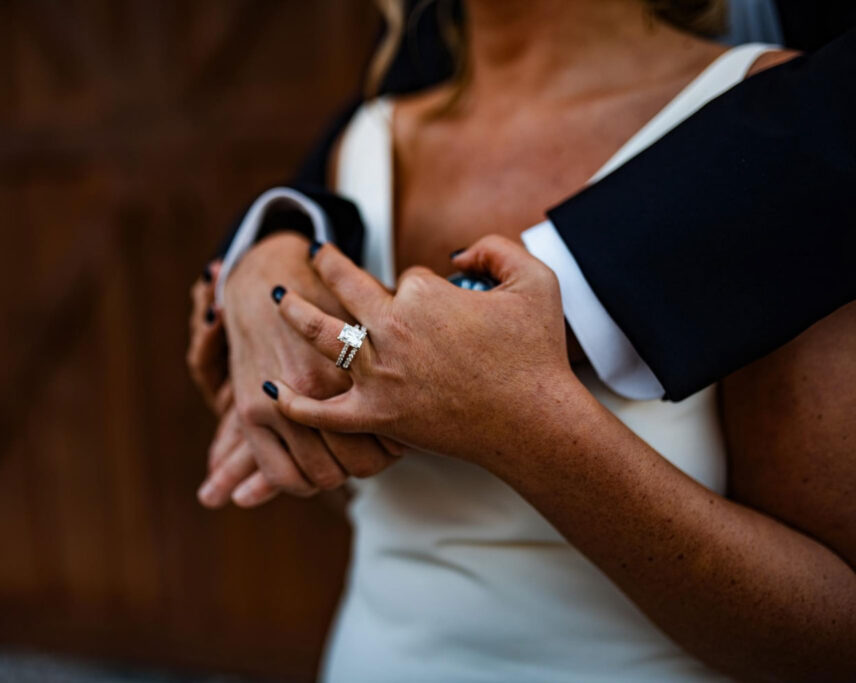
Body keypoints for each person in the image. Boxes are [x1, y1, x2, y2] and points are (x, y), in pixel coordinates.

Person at [191, 0, 856, 680]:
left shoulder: (782, 133)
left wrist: (531, 429)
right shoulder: (366, 141)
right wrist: (264, 302)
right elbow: (369, 490)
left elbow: (836, 640)